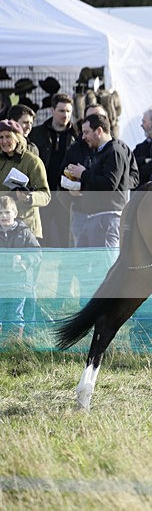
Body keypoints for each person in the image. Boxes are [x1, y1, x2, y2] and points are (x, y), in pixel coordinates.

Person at [64, 114, 135, 248]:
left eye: (86, 132)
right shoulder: (100, 151)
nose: (83, 137)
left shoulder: (114, 151)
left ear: (99, 131)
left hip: (107, 219)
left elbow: (109, 184)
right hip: (94, 217)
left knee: (105, 264)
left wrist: (84, 174)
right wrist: (79, 187)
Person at [28, 93, 78, 246]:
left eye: (69, 111)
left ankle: (63, 268)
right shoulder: (37, 133)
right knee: (40, 234)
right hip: (43, 191)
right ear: (52, 110)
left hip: (65, 193)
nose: (66, 115)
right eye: (62, 111)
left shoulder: (77, 135)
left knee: (65, 234)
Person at [0, 119, 50, 239]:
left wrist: (29, 197)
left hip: (26, 230)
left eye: (8, 136)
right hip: (3, 229)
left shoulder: (32, 161)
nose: (4, 141)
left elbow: (45, 195)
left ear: (17, 138)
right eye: (1, 137)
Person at [0, 195, 41, 339]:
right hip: (2, 283)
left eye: (7, 212)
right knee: (2, 314)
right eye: (0, 213)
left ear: (15, 213)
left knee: (15, 314)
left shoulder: (24, 232)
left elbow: (37, 252)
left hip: (20, 284)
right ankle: (3, 345)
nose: (3, 216)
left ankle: (14, 345)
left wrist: (25, 262)